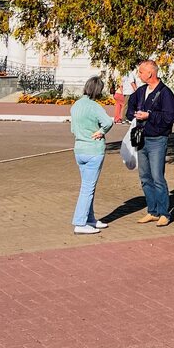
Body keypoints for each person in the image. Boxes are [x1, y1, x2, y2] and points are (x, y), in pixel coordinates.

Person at [125, 59, 174, 227]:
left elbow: (170, 117)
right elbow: (129, 109)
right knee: (145, 177)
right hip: (141, 138)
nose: (138, 74)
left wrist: (149, 116)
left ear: (150, 73)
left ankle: (164, 213)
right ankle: (152, 211)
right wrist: (134, 114)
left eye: (141, 72)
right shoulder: (140, 91)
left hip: (157, 139)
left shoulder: (165, 93)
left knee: (157, 177)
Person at [69, 76, 113, 235]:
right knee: (87, 188)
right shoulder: (95, 106)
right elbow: (108, 122)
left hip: (79, 149)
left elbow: (73, 129)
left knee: (88, 187)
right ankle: (80, 222)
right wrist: (100, 132)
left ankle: (90, 218)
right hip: (93, 150)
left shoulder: (75, 105)